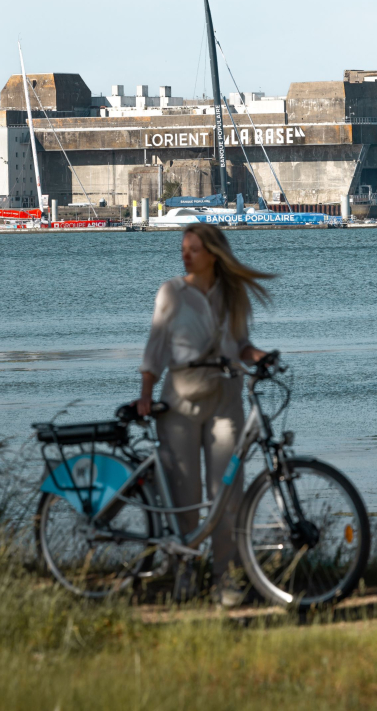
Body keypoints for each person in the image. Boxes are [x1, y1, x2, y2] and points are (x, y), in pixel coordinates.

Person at [137, 223, 273, 604]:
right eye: (184, 248)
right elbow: (155, 348)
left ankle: (223, 578)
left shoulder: (233, 293)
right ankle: (184, 574)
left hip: (226, 398)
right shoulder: (171, 293)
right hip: (179, 401)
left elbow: (242, 344)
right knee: (186, 495)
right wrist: (146, 395)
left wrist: (260, 357)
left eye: (193, 249)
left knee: (227, 495)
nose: (186, 254)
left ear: (213, 254)